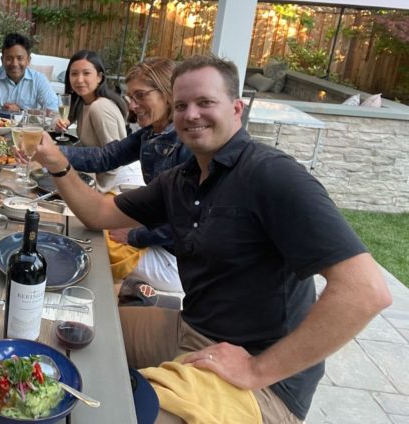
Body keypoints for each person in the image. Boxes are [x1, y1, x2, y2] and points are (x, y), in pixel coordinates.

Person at [32, 54, 391, 423]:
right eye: (182, 105)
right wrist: (57, 162)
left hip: (264, 383)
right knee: (61, 330)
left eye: (205, 102)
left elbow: (365, 291)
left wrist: (257, 370)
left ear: (236, 109)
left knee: (116, 415)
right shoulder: (181, 179)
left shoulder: (272, 175)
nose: (191, 115)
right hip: (192, 329)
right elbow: (98, 213)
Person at [60, 57, 191, 292]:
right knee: (89, 226)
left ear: (167, 94)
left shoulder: (188, 145)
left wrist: (134, 236)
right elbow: (106, 156)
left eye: (141, 95)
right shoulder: (151, 133)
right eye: (131, 97)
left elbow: (186, 224)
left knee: (93, 244)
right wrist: (55, 153)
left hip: (176, 260)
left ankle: (116, 298)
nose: (132, 106)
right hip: (155, 236)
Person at [54, 49, 139, 190]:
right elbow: (58, 118)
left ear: (99, 77)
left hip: (119, 185)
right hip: (95, 176)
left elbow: (115, 159)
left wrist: (96, 191)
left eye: (86, 73)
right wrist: (58, 123)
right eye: (74, 74)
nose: (79, 79)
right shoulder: (82, 102)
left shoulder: (100, 107)